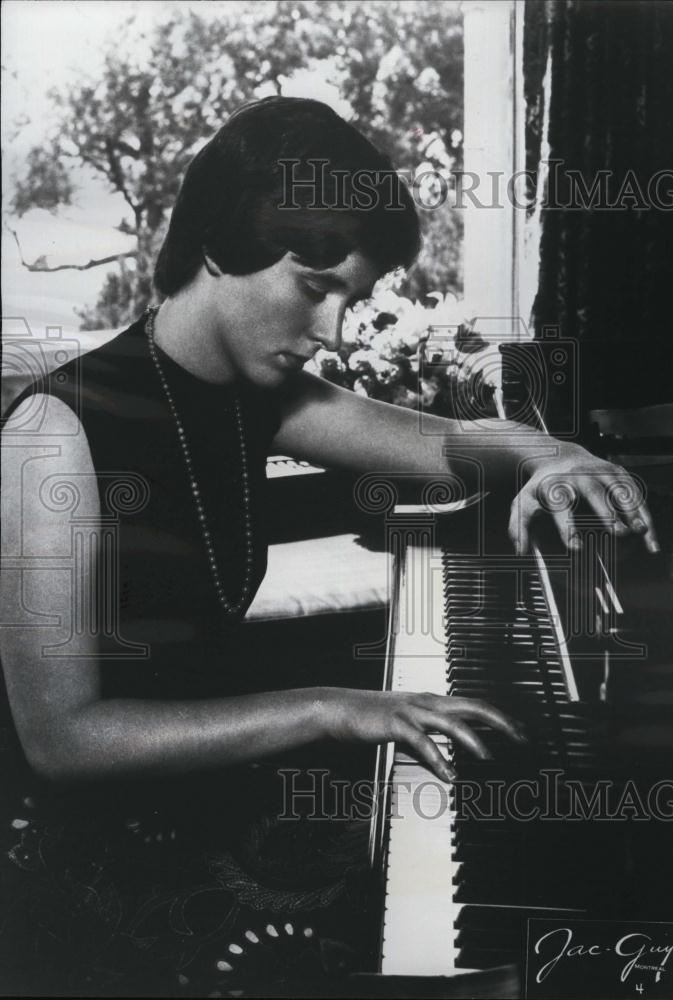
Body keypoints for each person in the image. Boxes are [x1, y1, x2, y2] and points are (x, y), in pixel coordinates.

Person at [0, 97, 657, 994]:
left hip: (198, 785)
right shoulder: (51, 432)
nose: (334, 333)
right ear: (219, 247)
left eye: (351, 298)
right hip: (80, 859)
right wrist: (335, 708)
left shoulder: (250, 393)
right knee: (478, 968)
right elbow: (63, 741)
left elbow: (451, 446)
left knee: (507, 869)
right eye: (315, 288)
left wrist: (554, 456)